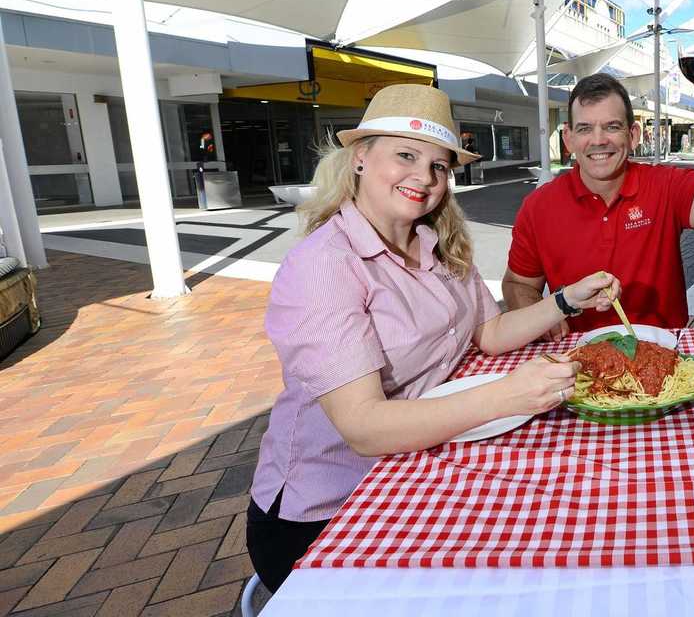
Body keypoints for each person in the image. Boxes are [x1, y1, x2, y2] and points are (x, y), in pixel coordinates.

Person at [246, 85, 620, 593]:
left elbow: (489, 334)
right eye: (406, 155)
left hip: (415, 470)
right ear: (360, 158)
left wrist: (565, 299)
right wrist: (507, 396)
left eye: (439, 166)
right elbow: (364, 427)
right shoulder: (324, 265)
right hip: (329, 512)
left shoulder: (436, 244)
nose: (424, 177)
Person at [503, 42, 694, 338]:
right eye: (585, 128)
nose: (598, 140)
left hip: (663, 363)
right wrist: (540, 316)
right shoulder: (538, 206)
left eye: (612, 127)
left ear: (633, 135)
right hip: (577, 363)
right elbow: (518, 285)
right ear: (569, 139)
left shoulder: (665, 185)